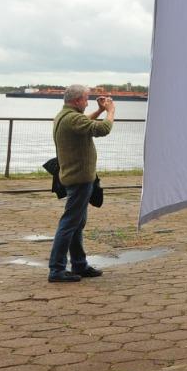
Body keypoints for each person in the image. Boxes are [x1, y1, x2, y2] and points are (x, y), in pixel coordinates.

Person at [48, 84, 116, 283]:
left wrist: (100, 110)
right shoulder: (71, 118)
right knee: (69, 223)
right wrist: (110, 112)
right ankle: (57, 269)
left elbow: (85, 121)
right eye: (86, 99)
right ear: (77, 101)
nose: (88, 102)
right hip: (79, 179)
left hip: (74, 176)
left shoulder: (65, 115)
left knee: (77, 223)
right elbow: (103, 129)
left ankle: (79, 264)